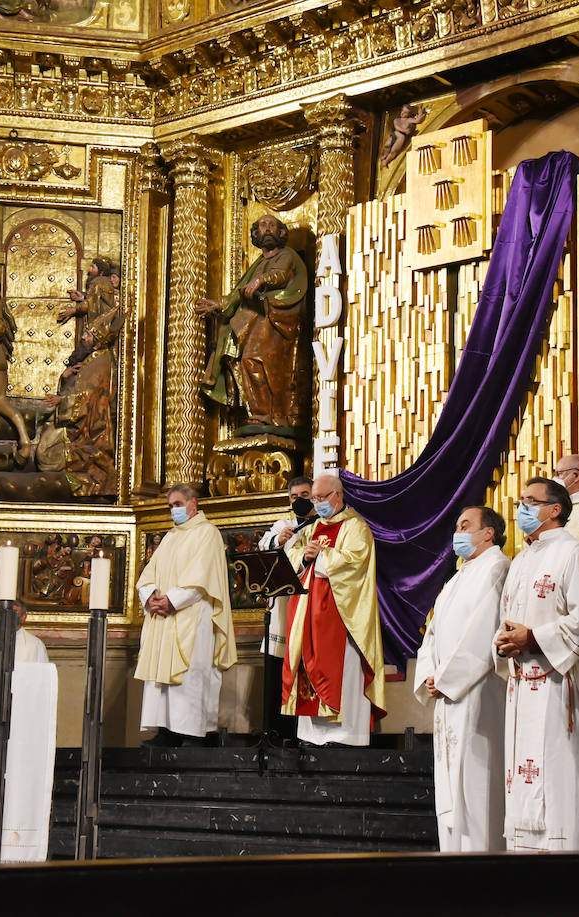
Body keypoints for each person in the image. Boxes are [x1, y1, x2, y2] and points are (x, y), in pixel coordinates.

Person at [494, 478, 579, 851]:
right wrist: (506, 640)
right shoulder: (521, 559)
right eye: (521, 501)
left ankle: (568, 857)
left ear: (554, 509)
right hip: (523, 682)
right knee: (522, 771)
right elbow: (508, 614)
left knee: (559, 771)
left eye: (530, 501)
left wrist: (533, 638)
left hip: (559, 682)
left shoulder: (576, 553)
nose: (521, 508)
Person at [413, 505, 508, 851]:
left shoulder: (497, 569)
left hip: (478, 692)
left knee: (476, 782)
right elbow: (433, 634)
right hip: (448, 695)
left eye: (465, 526)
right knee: (451, 785)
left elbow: (483, 633)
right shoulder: (457, 578)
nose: (458, 533)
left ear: (489, 533)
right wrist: (428, 675)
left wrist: (448, 678)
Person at [283, 473, 386, 746]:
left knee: (343, 675)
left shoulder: (356, 527)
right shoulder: (309, 528)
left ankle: (344, 738)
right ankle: (311, 737)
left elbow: (356, 564)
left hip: (341, 619)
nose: (317, 504)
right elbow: (293, 559)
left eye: (321, 498)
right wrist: (302, 555)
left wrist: (321, 555)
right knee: (308, 670)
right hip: (308, 616)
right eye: (314, 499)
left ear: (337, 496)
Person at [134, 484, 237, 745]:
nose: (174, 511)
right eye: (171, 506)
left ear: (193, 504)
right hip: (165, 617)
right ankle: (165, 730)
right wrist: (151, 598)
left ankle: (192, 732)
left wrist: (172, 600)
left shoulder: (207, 533)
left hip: (193, 615)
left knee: (191, 674)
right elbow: (149, 573)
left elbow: (203, 576)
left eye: (178, 504)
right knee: (162, 677)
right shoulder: (170, 537)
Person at [197, 213, 309, 436]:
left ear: (280, 233)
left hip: (278, 321)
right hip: (258, 320)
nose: (267, 229)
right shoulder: (259, 263)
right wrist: (220, 304)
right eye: (262, 226)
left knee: (259, 361)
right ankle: (260, 412)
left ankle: (275, 414)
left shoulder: (287, 255)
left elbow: (281, 275)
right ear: (256, 234)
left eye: (272, 226)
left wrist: (262, 280)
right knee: (246, 360)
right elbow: (240, 292)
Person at [256, 475, 314, 741]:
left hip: (307, 605)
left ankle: (298, 731)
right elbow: (262, 547)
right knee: (276, 669)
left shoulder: (320, 525)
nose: (299, 501)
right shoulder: (285, 525)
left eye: (304, 496)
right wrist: (278, 540)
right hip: (280, 608)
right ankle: (275, 730)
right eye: (294, 497)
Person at [0, 599, 49, 664]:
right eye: (6, 614)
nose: (8, 618)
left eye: (13, 614)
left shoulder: (35, 644)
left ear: (23, 617)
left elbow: (43, 673)